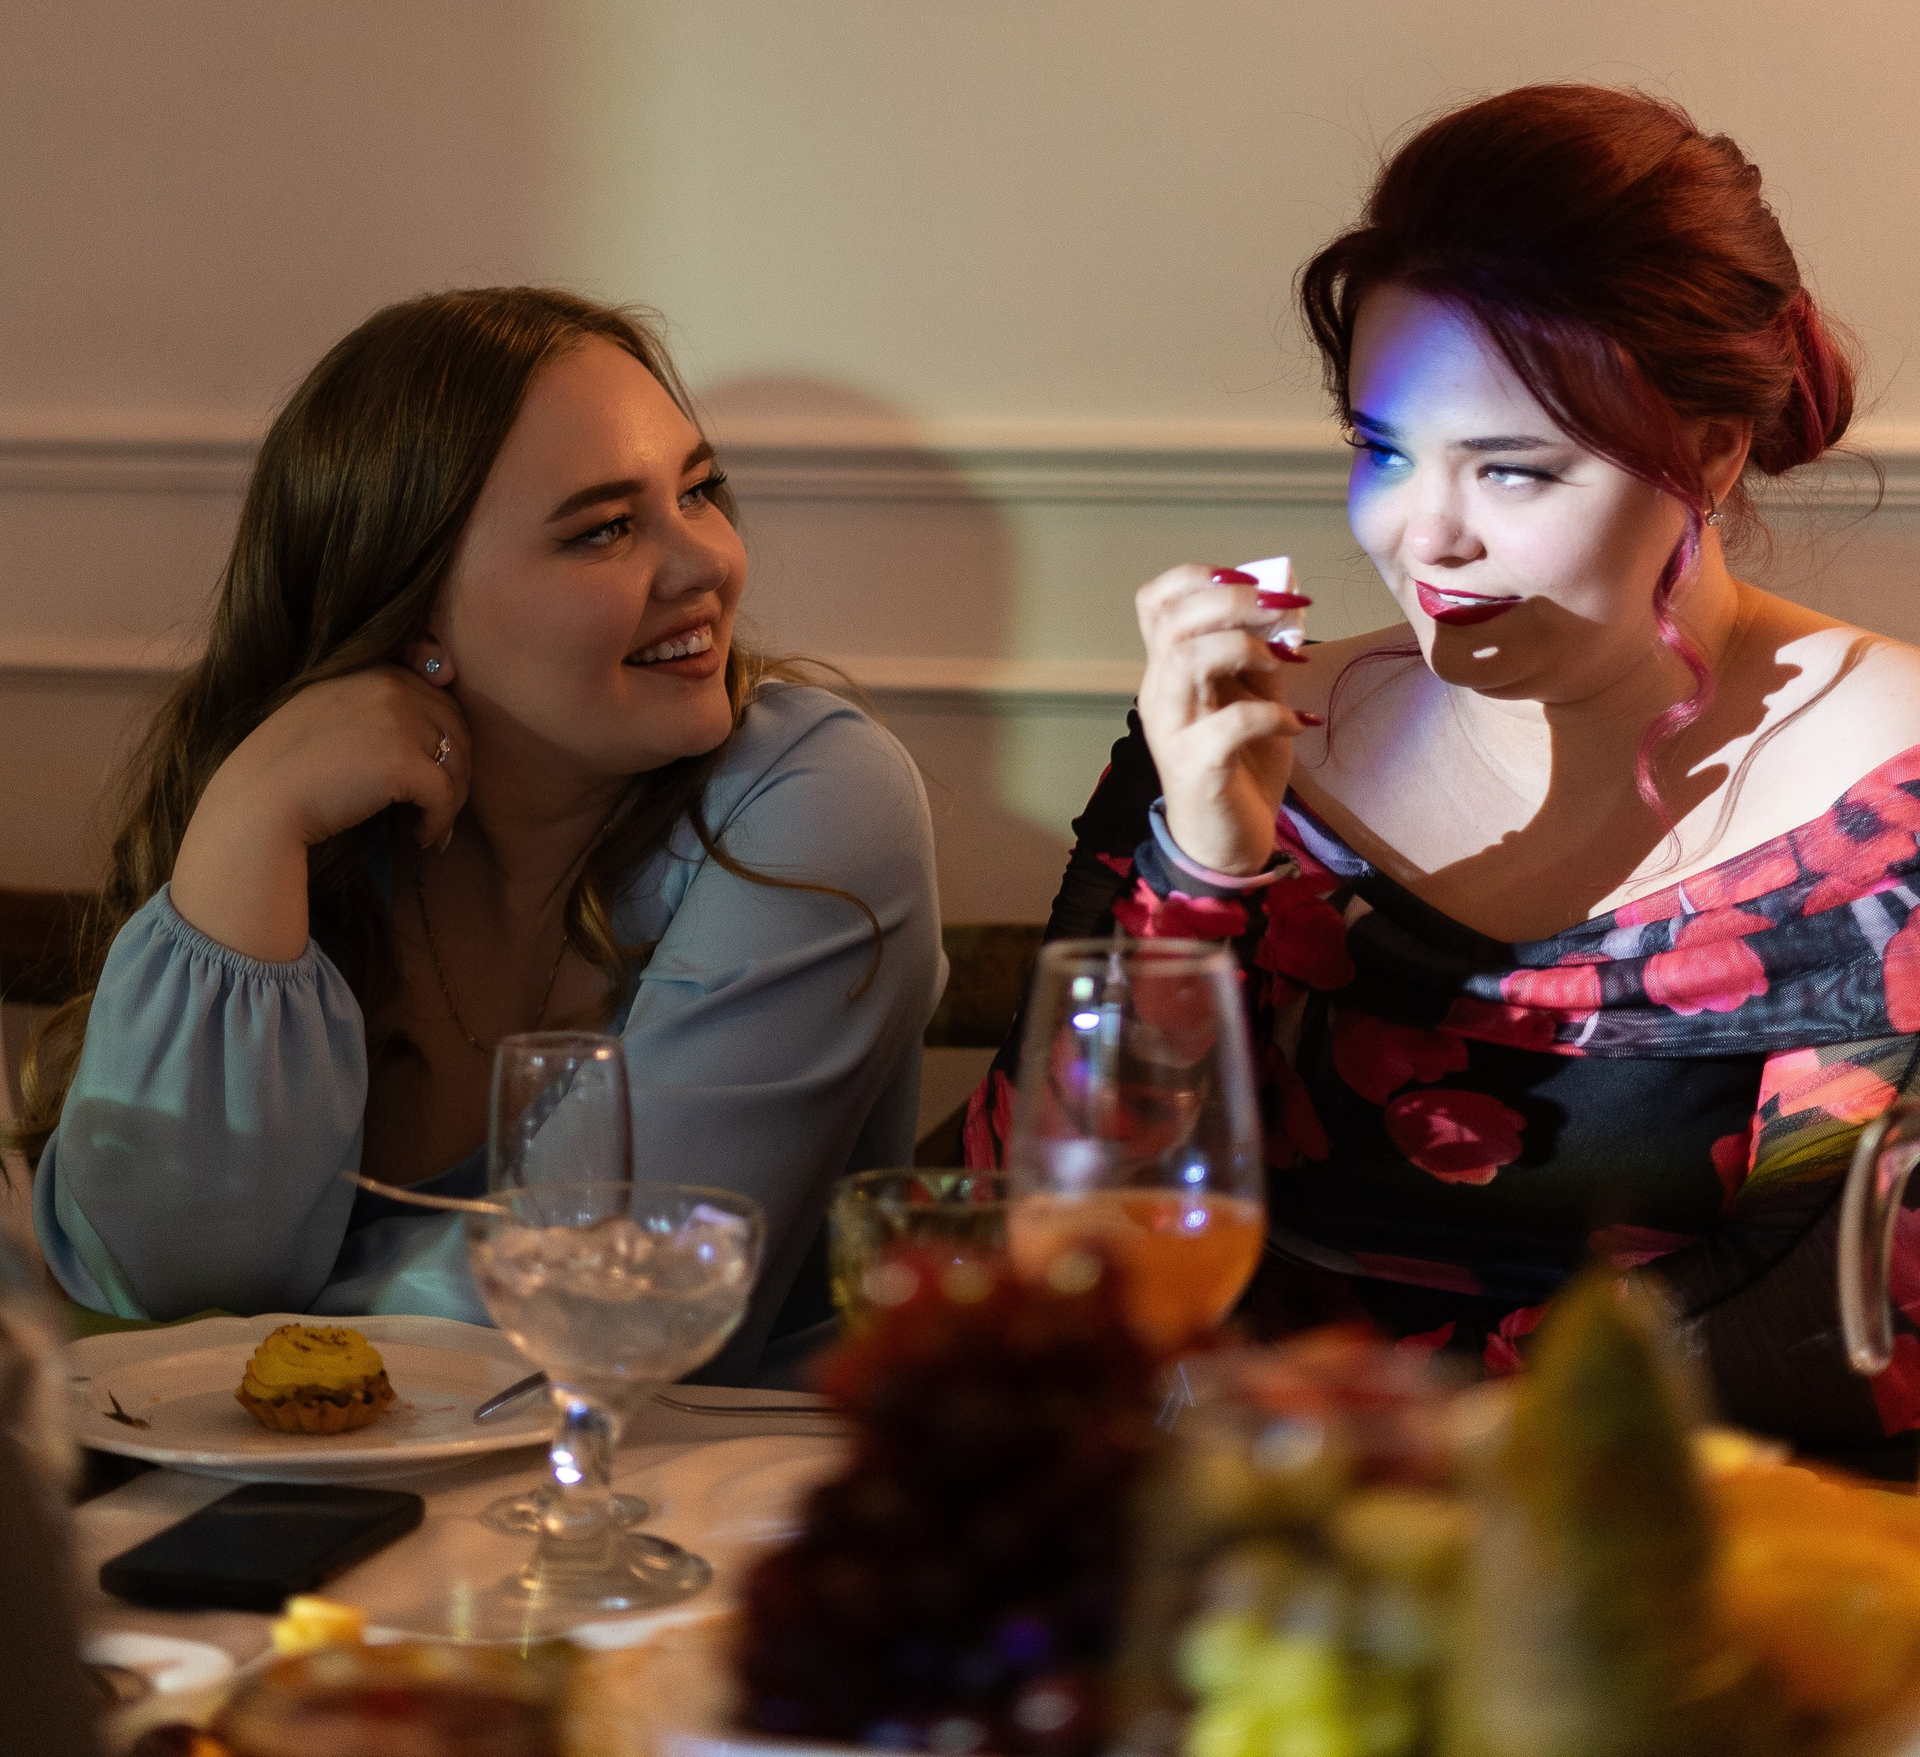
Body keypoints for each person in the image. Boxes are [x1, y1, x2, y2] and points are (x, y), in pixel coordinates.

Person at [968, 84, 1920, 1450]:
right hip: (1236, 1526)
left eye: (1512, 470)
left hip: (1672, 1538)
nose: (1423, 535)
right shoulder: (1253, 730)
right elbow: (1044, 1244)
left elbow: (1834, 1327)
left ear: (1710, 451)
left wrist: (1360, 1449)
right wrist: (1200, 873)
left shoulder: (1888, 797)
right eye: (1383, 449)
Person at [20, 288, 942, 1380]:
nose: (707, 563)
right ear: (414, 612)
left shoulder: (813, 798)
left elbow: (619, 1296)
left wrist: (258, 1345)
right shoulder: (329, 835)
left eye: (698, 492)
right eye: (604, 529)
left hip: (687, 1481)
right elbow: (157, 1279)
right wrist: (247, 824)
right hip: (284, 1486)